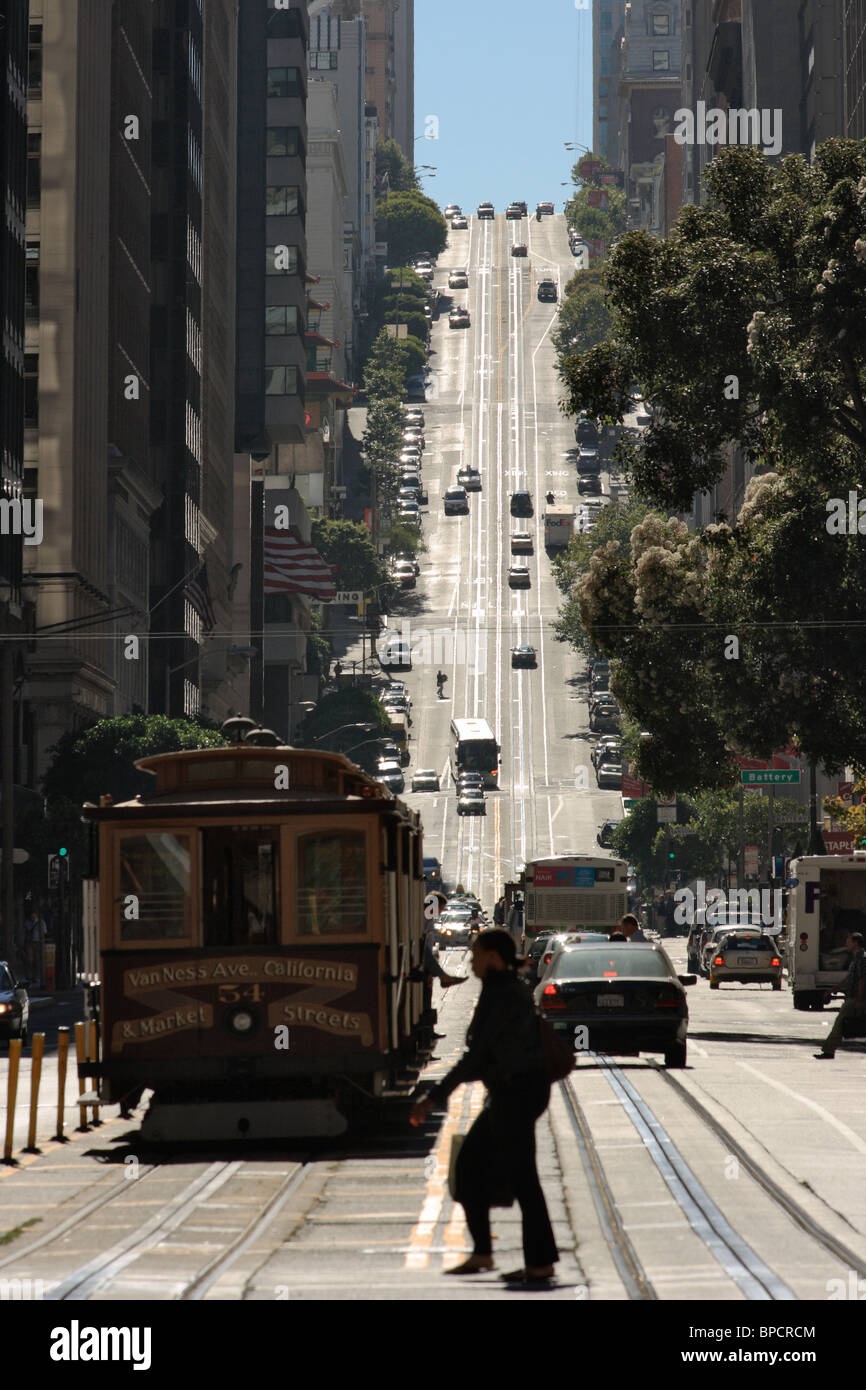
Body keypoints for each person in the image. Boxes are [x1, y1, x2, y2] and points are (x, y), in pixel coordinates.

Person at [410, 929, 558, 1284]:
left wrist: (433, 1097)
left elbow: (476, 1056)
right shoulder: (503, 987)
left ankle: (537, 1263)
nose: (472, 961)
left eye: (476, 955)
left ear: (492, 956)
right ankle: (486, 1254)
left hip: (517, 1092)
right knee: (478, 1167)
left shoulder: (502, 992)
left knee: (519, 1177)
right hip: (515, 1090)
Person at [814, 932, 866, 1059]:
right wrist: (834, 989)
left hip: (855, 998)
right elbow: (850, 978)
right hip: (853, 997)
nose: (846, 943)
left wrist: (859, 998)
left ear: (855, 943)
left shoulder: (861, 958)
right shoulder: (856, 957)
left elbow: (862, 979)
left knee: (839, 1023)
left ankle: (828, 1051)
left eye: (848, 940)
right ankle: (829, 1050)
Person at [23, 908, 45, 986]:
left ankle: (35, 977)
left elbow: (44, 932)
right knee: (29, 960)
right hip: (29, 943)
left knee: (37, 960)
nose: (32, 916)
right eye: (31, 915)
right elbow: (25, 932)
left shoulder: (41, 922)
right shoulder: (27, 923)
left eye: (34, 914)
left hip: (38, 943)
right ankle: (29, 976)